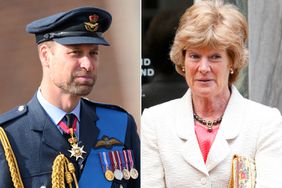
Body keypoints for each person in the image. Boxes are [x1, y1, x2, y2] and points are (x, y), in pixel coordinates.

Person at [141, 1, 282, 187]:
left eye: (215, 56)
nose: (203, 68)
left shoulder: (265, 122)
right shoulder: (155, 121)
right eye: (195, 56)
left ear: (232, 61)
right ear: (182, 60)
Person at [0, 6, 140, 188]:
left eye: (93, 53)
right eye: (76, 52)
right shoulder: (10, 137)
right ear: (45, 55)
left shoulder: (120, 124)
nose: (88, 64)